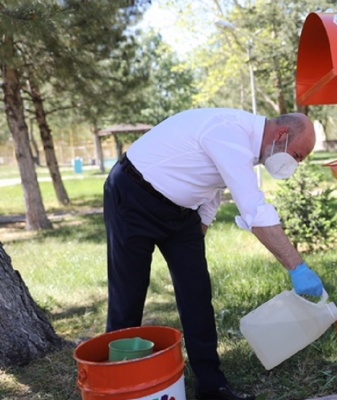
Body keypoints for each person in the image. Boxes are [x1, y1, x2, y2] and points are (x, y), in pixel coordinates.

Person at [103, 108, 325, 400]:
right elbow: (255, 211)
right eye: (297, 156)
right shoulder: (229, 132)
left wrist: (200, 229)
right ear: (281, 135)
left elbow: (216, 186)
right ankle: (116, 384)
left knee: (197, 294)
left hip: (181, 214)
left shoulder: (246, 146)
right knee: (128, 294)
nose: (295, 164)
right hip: (133, 194)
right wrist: (297, 267)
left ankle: (211, 385)